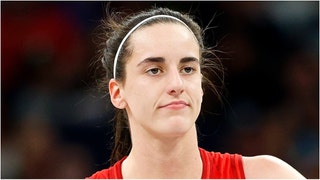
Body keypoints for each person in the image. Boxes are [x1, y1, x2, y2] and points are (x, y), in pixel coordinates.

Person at [87, 7, 306, 179]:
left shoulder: (266, 176)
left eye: (188, 69)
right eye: (154, 70)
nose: (176, 83)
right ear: (117, 93)